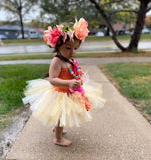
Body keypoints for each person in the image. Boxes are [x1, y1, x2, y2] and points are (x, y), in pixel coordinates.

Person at [22, 18, 106, 147]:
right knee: (61, 116)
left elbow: (74, 71)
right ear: (58, 45)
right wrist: (69, 83)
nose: (72, 52)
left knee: (63, 115)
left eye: (76, 48)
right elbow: (52, 80)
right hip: (60, 93)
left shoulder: (70, 59)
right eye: (68, 48)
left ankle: (57, 129)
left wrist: (79, 77)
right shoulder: (57, 61)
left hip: (69, 92)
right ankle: (58, 139)